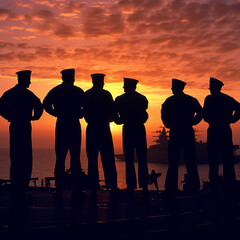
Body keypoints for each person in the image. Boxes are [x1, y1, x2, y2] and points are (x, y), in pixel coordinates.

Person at [0, 70, 43, 199]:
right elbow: (39, 107)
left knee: (15, 157)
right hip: (24, 125)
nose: (30, 82)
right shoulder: (28, 94)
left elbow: (1, 107)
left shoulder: (9, 94)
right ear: (24, 80)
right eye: (28, 79)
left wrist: (9, 116)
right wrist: (34, 117)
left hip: (14, 125)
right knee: (25, 157)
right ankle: (22, 189)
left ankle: (16, 190)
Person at [43, 68, 85, 198]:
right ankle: (76, 189)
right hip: (73, 124)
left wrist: (56, 113)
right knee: (75, 158)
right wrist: (80, 114)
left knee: (60, 158)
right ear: (71, 78)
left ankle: (59, 189)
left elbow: (46, 103)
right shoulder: (78, 91)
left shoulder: (56, 90)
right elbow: (86, 106)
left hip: (61, 124)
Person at [161, 78, 202, 197]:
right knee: (191, 161)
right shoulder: (191, 100)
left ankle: (171, 188)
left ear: (176, 88)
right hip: (188, 131)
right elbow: (201, 112)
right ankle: (194, 186)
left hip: (175, 131)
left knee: (173, 161)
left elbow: (163, 114)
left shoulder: (169, 101)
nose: (171, 89)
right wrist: (194, 121)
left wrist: (168, 124)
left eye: (173, 87)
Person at [203, 77, 240, 192]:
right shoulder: (227, 98)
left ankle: (214, 186)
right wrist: (233, 119)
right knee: (227, 159)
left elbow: (205, 115)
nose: (209, 88)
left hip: (214, 130)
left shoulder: (208, 99)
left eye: (211, 86)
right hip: (225, 129)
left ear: (214, 87)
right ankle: (229, 186)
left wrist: (209, 119)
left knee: (213, 160)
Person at [84, 73, 118, 191]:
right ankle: (112, 184)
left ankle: (93, 184)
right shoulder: (106, 94)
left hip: (92, 128)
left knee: (92, 159)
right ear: (101, 82)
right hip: (104, 128)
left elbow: (83, 111)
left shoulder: (87, 94)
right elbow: (113, 112)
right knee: (108, 158)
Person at [115, 78, 149, 192]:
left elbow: (116, 118)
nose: (123, 87)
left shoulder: (120, 99)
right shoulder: (142, 99)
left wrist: (120, 120)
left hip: (128, 129)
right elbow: (145, 116)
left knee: (129, 159)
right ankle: (144, 184)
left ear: (128, 86)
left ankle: (131, 185)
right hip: (139, 128)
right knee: (142, 158)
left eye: (125, 85)